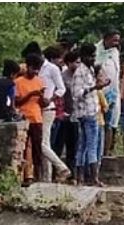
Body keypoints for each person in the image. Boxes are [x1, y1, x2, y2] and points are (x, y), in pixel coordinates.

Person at [71, 44, 108, 186]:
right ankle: (94, 178)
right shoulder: (80, 72)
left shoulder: (90, 70)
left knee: (84, 145)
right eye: (91, 56)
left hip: (92, 110)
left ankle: (80, 178)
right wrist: (94, 88)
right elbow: (76, 94)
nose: (93, 59)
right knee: (91, 145)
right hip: (86, 112)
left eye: (94, 56)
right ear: (84, 56)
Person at [15, 53, 48, 185]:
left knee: (37, 148)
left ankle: (37, 175)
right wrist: (31, 94)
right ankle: (24, 175)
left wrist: (43, 100)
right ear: (27, 66)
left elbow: (41, 103)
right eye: (33, 68)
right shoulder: (18, 82)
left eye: (37, 69)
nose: (35, 71)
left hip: (37, 118)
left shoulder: (39, 82)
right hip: (24, 117)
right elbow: (17, 102)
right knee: (23, 149)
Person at [40, 46, 70, 182]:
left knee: (42, 144)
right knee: (45, 143)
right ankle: (46, 177)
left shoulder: (52, 69)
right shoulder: (36, 68)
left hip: (48, 108)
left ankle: (61, 167)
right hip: (37, 109)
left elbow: (61, 89)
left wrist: (50, 98)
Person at [54, 51, 80, 180]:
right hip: (64, 114)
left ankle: (72, 175)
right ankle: (58, 172)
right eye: (76, 62)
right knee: (59, 144)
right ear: (69, 63)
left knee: (73, 146)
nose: (78, 65)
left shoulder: (80, 76)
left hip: (76, 115)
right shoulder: (63, 77)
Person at [95, 28, 121, 156]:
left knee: (110, 124)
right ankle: (97, 151)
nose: (116, 42)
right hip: (98, 93)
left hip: (112, 93)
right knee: (97, 123)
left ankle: (106, 151)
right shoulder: (95, 50)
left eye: (118, 40)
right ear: (107, 38)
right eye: (114, 40)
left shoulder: (115, 52)